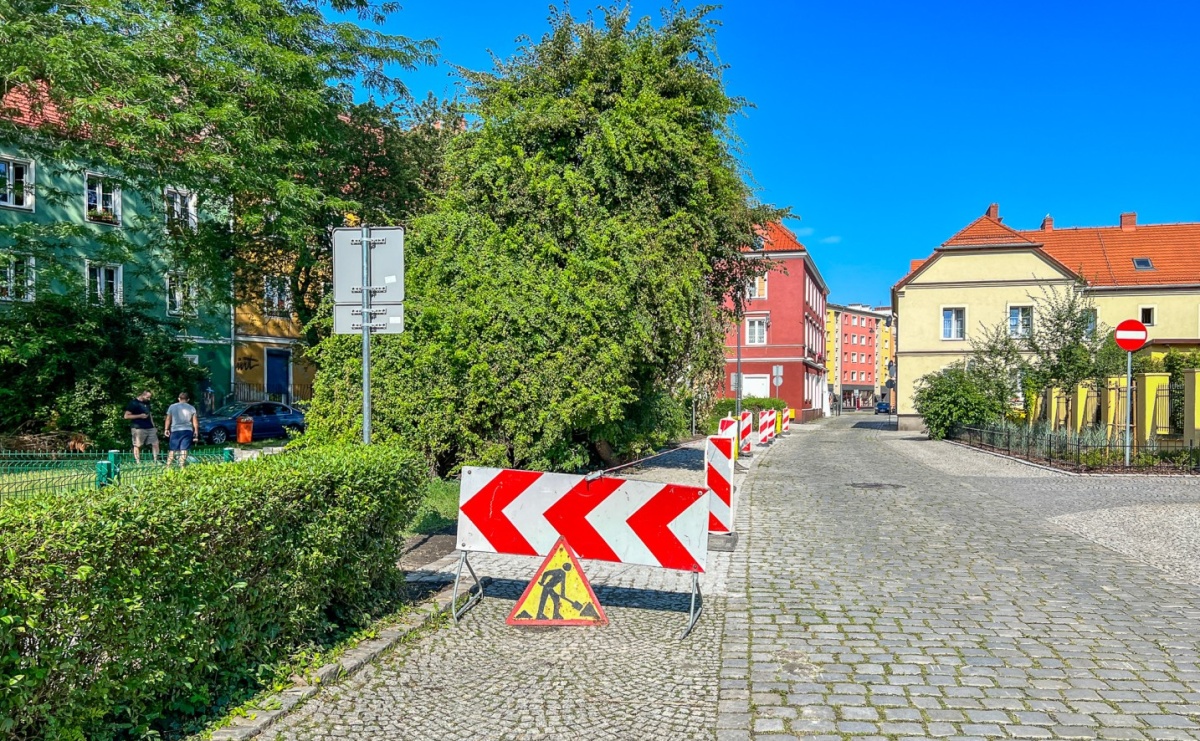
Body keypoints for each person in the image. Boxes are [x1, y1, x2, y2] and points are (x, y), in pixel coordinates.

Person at [164, 392, 200, 469]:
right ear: (188, 400)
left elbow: (168, 419)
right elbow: (195, 421)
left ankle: (168, 466)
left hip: (175, 430)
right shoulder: (191, 408)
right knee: (184, 449)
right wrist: (196, 431)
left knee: (173, 449)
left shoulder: (172, 407)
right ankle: (182, 466)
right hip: (187, 430)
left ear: (179, 399)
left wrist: (166, 429)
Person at [123, 390, 159, 463]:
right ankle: (138, 462)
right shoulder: (133, 403)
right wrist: (140, 416)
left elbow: (150, 414)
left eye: (150, 397)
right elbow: (126, 416)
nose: (149, 399)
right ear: (143, 395)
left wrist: (154, 426)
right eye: (147, 397)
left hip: (150, 426)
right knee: (138, 445)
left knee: (155, 443)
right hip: (138, 427)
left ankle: (156, 461)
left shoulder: (147, 403)